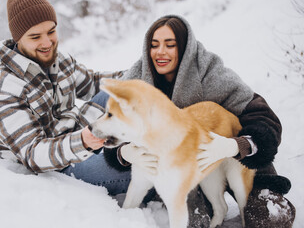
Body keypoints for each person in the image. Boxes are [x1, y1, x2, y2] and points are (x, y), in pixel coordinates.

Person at [94, 15, 296, 227]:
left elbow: (264, 118)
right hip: (188, 169)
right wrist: (123, 153)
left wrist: (234, 145)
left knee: (269, 219)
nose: (160, 52)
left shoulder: (212, 74)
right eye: (154, 45)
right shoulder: (135, 82)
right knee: (193, 220)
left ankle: (263, 198)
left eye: (170, 45)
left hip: (238, 154)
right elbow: (117, 130)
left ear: (185, 47)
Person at [0, 0, 135, 197]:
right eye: (35, 37)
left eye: (51, 31)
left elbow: (94, 83)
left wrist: (142, 72)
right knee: (139, 172)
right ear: (18, 38)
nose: (47, 43)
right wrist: (84, 141)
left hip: (81, 138)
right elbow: (34, 153)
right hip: (52, 169)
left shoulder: (56, 59)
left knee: (133, 87)